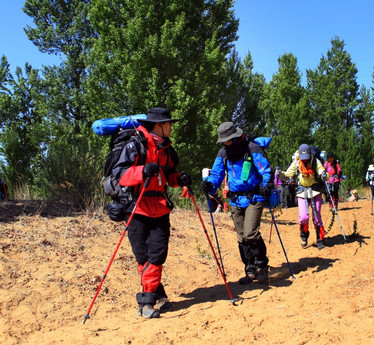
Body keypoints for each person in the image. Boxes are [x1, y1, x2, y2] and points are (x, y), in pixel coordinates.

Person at [112, 107, 192, 319]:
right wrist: (142, 171)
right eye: (169, 124)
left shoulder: (167, 150)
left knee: (156, 256)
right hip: (136, 208)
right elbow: (120, 175)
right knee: (143, 258)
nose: (171, 127)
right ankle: (159, 295)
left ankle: (146, 303)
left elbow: (168, 175)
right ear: (159, 126)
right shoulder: (135, 145)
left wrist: (179, 180)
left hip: (160, 209)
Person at [201, 122, 272, 285]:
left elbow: (265, 170)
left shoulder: (252, 148)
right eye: (223, 140)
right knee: (241, 237)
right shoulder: (223, 153)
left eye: (227, 140)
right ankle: (250, 269)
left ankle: (262, 266)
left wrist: (267, 184)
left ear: (234, 137)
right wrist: (210, 185)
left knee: (250, 233)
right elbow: (217, 174)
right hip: (235, 200)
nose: (225, 143)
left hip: (254, 197)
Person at [281, 144, 327, 249]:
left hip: (315, 191)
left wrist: (324, 175)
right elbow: (288, 174)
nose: (305, 161)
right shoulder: (297, 163)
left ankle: (320, 239)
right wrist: (280, 174)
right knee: (303, 217)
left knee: (317, 217)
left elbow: (322, 171)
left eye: (307, 158)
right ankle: (304, 235)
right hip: (302, 192)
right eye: (303, 159)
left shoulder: (315, 161)